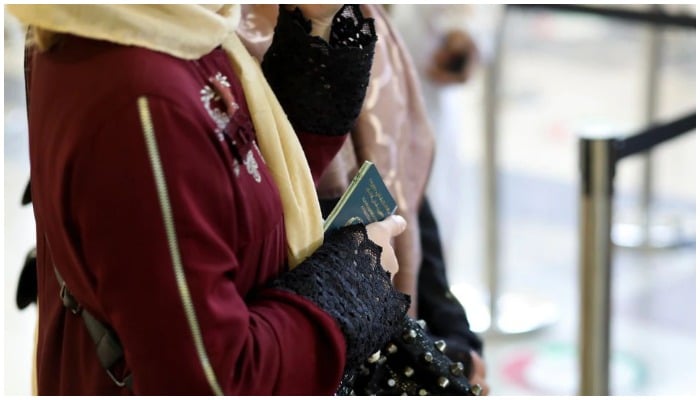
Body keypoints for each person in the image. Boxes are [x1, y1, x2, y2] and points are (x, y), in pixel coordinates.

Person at [7, 4, 411, 395]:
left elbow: (238, 189)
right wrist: (350, 287)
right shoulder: (142, 96)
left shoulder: (168, 26)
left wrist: (315, 28)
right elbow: (211, 381)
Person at [238, 4, 489, 394]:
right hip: (311, 351)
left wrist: (452, 337)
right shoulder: (221, 45)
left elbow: (407, 196)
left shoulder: (364, 23)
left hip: (397, 325)